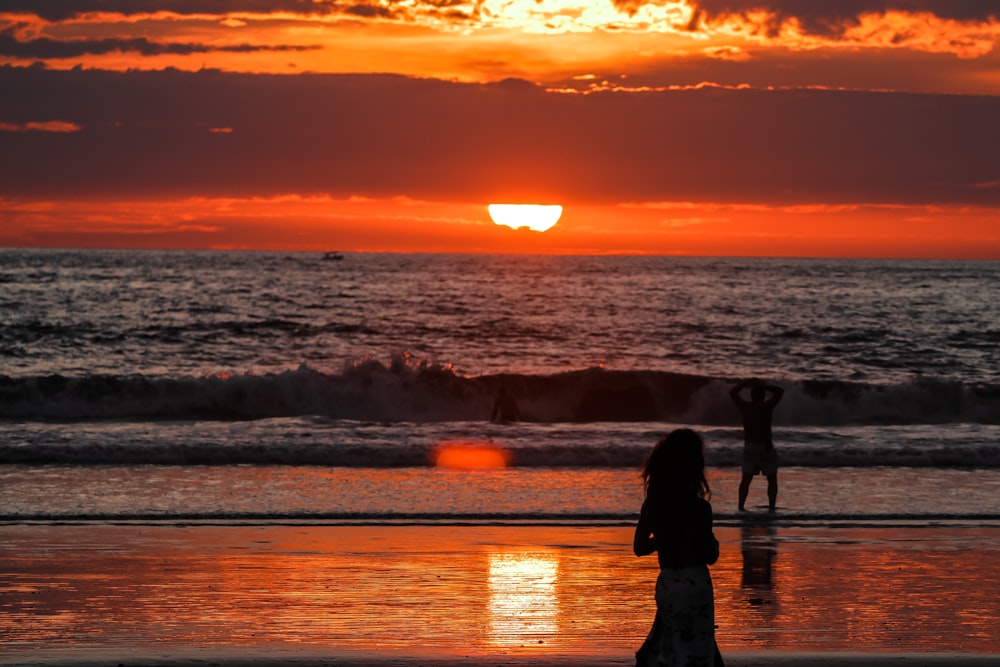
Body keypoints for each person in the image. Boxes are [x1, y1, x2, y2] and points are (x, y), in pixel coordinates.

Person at [634, 429, 723, 667]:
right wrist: (713, 543)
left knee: (667, 646)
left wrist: (664, 538)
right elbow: (709, 555)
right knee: (698, 650)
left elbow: (640, 547)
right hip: (695, 583)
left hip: (668, 582)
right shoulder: (699, 508)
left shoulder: (652, 504)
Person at [729, 379, 784, 512]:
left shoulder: (745, 407)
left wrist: (745, 382)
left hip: (749, 446)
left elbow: (732, 392)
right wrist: (764, 385)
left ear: (752, 396)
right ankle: (771, 507)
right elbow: (780, 391)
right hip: (765, 446)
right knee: (771, 479)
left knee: (746, 479)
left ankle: (741, 506)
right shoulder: (766, 407)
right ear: (763, 396)